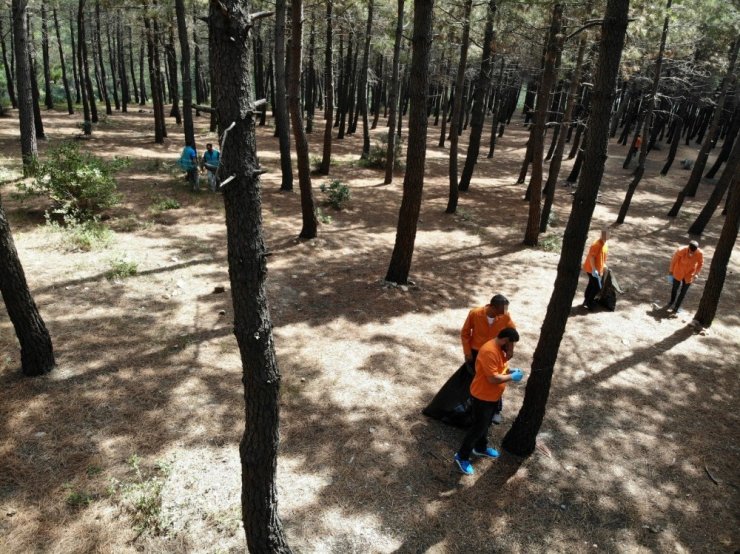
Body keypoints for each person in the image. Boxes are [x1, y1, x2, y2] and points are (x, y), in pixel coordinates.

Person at [454, 328, 524, 476]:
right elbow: (492, 378)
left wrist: (509, 371)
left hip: (492, 396)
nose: (512, 348)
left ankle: (480, 448)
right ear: (505, 340)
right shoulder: (489, 351)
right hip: (482, 397)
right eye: (512, 345)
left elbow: (499, 369)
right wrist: (512, 377)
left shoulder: (499, 348)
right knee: (478, 428)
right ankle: (461, 456)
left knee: (485, 424)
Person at [460, 294, 516, 423]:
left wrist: (510, 349)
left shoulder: (505, 315)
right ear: (491, 307)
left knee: (496, 378)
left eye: (505, 311)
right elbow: (465, 333)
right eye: (500, 311)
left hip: (495, 352)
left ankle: (496, 409)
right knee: (478, 379)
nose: (503, 314)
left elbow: (511, 332)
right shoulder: (475, 313)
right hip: (476, 352)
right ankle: (471, 405)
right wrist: (467, 352)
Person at [666, 240, 704, 313]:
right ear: (688, 247)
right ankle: (672, 301)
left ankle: (676, 307)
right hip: (678, 271)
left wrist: (696, 273)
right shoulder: (681, 250)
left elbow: (700, 264)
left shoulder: (699, 253)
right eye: (691, 251)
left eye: (694, 251)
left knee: (683, 292)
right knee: (675, 288)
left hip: (690, 274)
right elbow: (674, 261)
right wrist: (671, 271)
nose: (692, 253)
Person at [582, 229, 609, 309]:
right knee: (597, 287)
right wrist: (594, 269)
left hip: (597, 269)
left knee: (591, 284)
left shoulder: (605, 244)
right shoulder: (596, 245)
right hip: (591, 269)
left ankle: (586, 300)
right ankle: (589, 302)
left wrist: (603, 264)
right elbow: (592, 257)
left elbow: (602, 256)